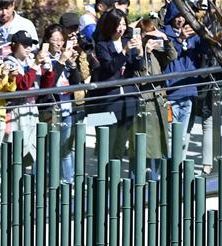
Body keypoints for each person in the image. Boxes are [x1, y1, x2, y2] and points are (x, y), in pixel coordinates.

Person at [88, 8, 144, 160]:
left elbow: (137, 68)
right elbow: (110, 68)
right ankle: (105, 173)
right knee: (107, 146)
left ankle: (115, 172)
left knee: (120, 147)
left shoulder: (127, 41)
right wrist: (124, 52)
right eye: (118, 24)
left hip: (128, 100)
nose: (122, 28)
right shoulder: (102, 45)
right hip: (109, 101)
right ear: (110, 25)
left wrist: (140, 52)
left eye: (124, 24)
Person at [38, 25, 83, 183]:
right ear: (47, 40)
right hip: (51, 110)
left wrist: (72, 64)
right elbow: (49, 84)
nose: (58, 43)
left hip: (67, 107)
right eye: (55, 40)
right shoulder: (43, 58)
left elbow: (76, 82)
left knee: (65, 149)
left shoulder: (63, 56)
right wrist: (62, 61)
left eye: (61, 40)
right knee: (48, 149)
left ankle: (68, 182)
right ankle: (47, 182)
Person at [135, 16, 176, 180]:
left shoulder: (158, 53)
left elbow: (172, 56)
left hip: (160, 99)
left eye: (153, 34)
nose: (152, 39)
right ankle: (150, 178)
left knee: (162, 140)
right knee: (150, 144)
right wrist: (145, 52)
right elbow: (142, 75)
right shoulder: (137, 53)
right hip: (146, 102)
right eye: (148, 35)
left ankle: (160, 176)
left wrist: (165, 38)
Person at [163, 5, 202, 157]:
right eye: (177, 16)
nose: (180, 19)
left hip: (189, 91)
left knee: (184, 135)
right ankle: (169, 167)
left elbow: (205, 49)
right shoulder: (163, 34)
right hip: (171, 93)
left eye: (183, 16)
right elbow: (168, 56)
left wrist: (203, 32)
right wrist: (180, 39)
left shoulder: (193, 34)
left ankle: (179, 166)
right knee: (170, 135)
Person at [2, 30, 42, 165]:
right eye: (24, 45)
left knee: (34, 148)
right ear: (14, 45)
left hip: (32, 107)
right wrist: (35, 65)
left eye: (30, 45)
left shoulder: (30, 61)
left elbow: (45, 86)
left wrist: (48, 70)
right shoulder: (8, 63)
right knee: (17, 149)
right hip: (16, 109)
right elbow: (22, 85)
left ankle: (28, 177)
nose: (28, 48)